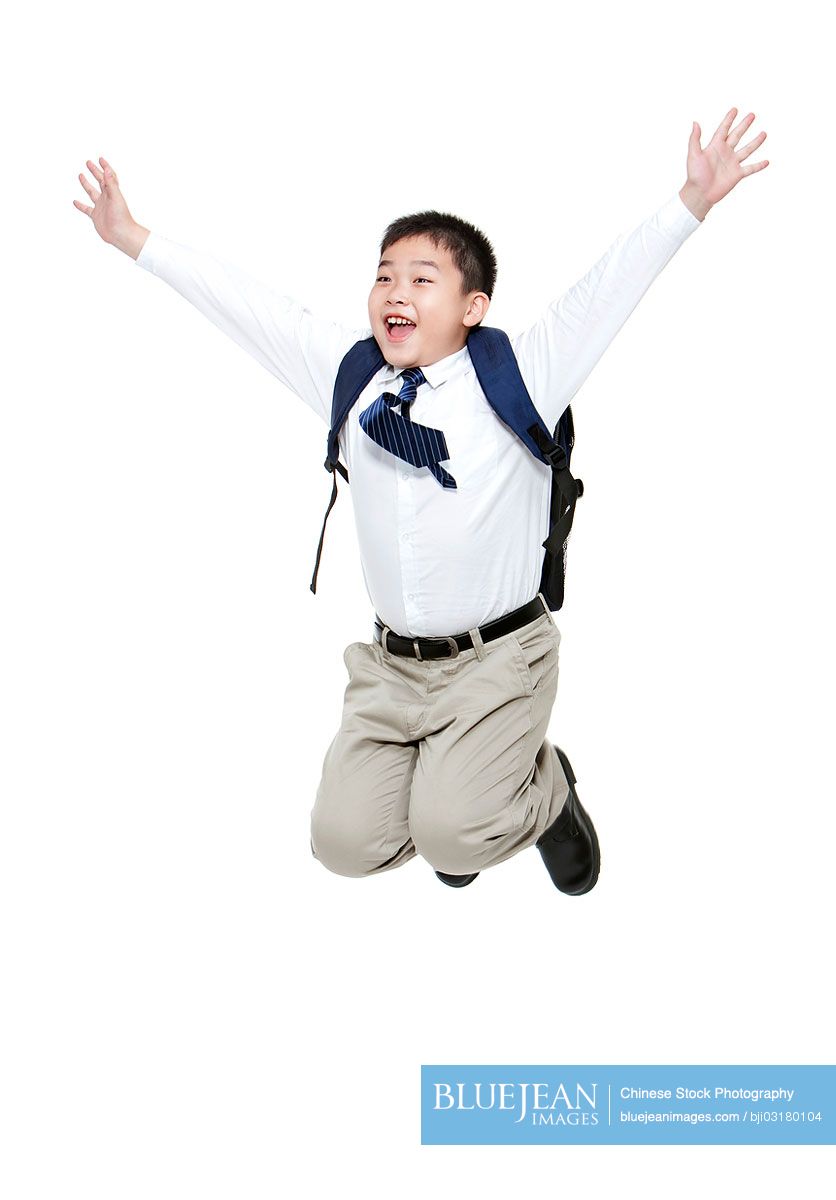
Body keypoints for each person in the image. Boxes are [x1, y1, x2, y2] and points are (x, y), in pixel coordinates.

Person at [73, 108, 768, 896]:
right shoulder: (353, 377)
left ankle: (543, 793)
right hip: (393, 667)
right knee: (340, 843)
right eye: (384, 275)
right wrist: (134, 237)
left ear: (472, 308)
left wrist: (691, 199)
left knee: (452, 835)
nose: (394, 291)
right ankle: (461, 788)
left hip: (499, 658)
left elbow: (605, 288)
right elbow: (248, 306)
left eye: (421, 279)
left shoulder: (523, 375)